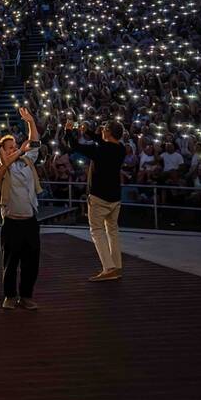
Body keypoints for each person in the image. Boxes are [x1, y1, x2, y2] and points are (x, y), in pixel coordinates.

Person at [0, 107, 42, 310]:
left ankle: (26, 295)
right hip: (11, 222)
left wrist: (30, 122)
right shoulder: (0, 167)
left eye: (13, 146)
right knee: (10, 263)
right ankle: (10, 295)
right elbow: (5, 161)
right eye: (8, 147)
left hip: (29, 221)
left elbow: (35, 142)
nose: (12, 149)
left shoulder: (27, 161)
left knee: (31, 262)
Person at [63, 119, 125, 281]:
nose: (101, 131)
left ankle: (108, 268)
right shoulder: (121, 148)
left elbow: (75, 146)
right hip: (115, 197)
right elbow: (102, 141)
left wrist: (68, 131)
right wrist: (88, 132)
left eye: (104, 129)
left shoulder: (100, 150)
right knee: (113, 231)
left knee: (97, 231)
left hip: (99, 197)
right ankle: (116, 266)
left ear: (108, 132)